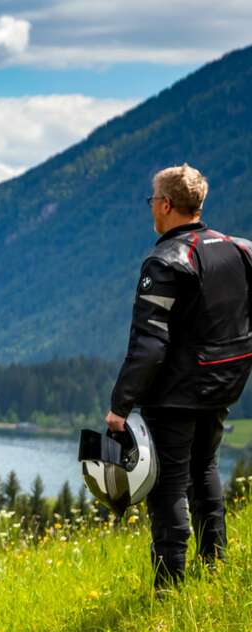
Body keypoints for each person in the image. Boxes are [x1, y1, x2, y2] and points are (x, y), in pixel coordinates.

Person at [106, 164, 252, 588]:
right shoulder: (240, 249)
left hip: (175, 392)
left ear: (167, 204)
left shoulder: (166, 260)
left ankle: (169, 588)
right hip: (224, 380)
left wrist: (119, 406)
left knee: (167, 486)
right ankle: (214, 567)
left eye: (153, 201)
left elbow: (149, 344)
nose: (152, 209)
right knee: (205, 467)